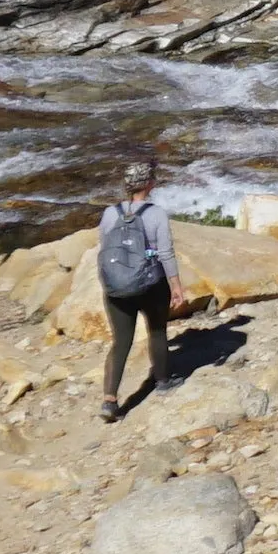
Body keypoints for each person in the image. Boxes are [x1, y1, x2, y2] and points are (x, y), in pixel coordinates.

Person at [93, 166, 180, 422]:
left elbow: (105, 248)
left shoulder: (110, 213)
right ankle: (163, 381)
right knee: (157, 331)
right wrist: (175, 286)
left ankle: (109, 400)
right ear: (150, 184)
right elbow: (165, 253)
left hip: (116, 287)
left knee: (121, 342)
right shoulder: (156, 214)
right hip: (150, 285)